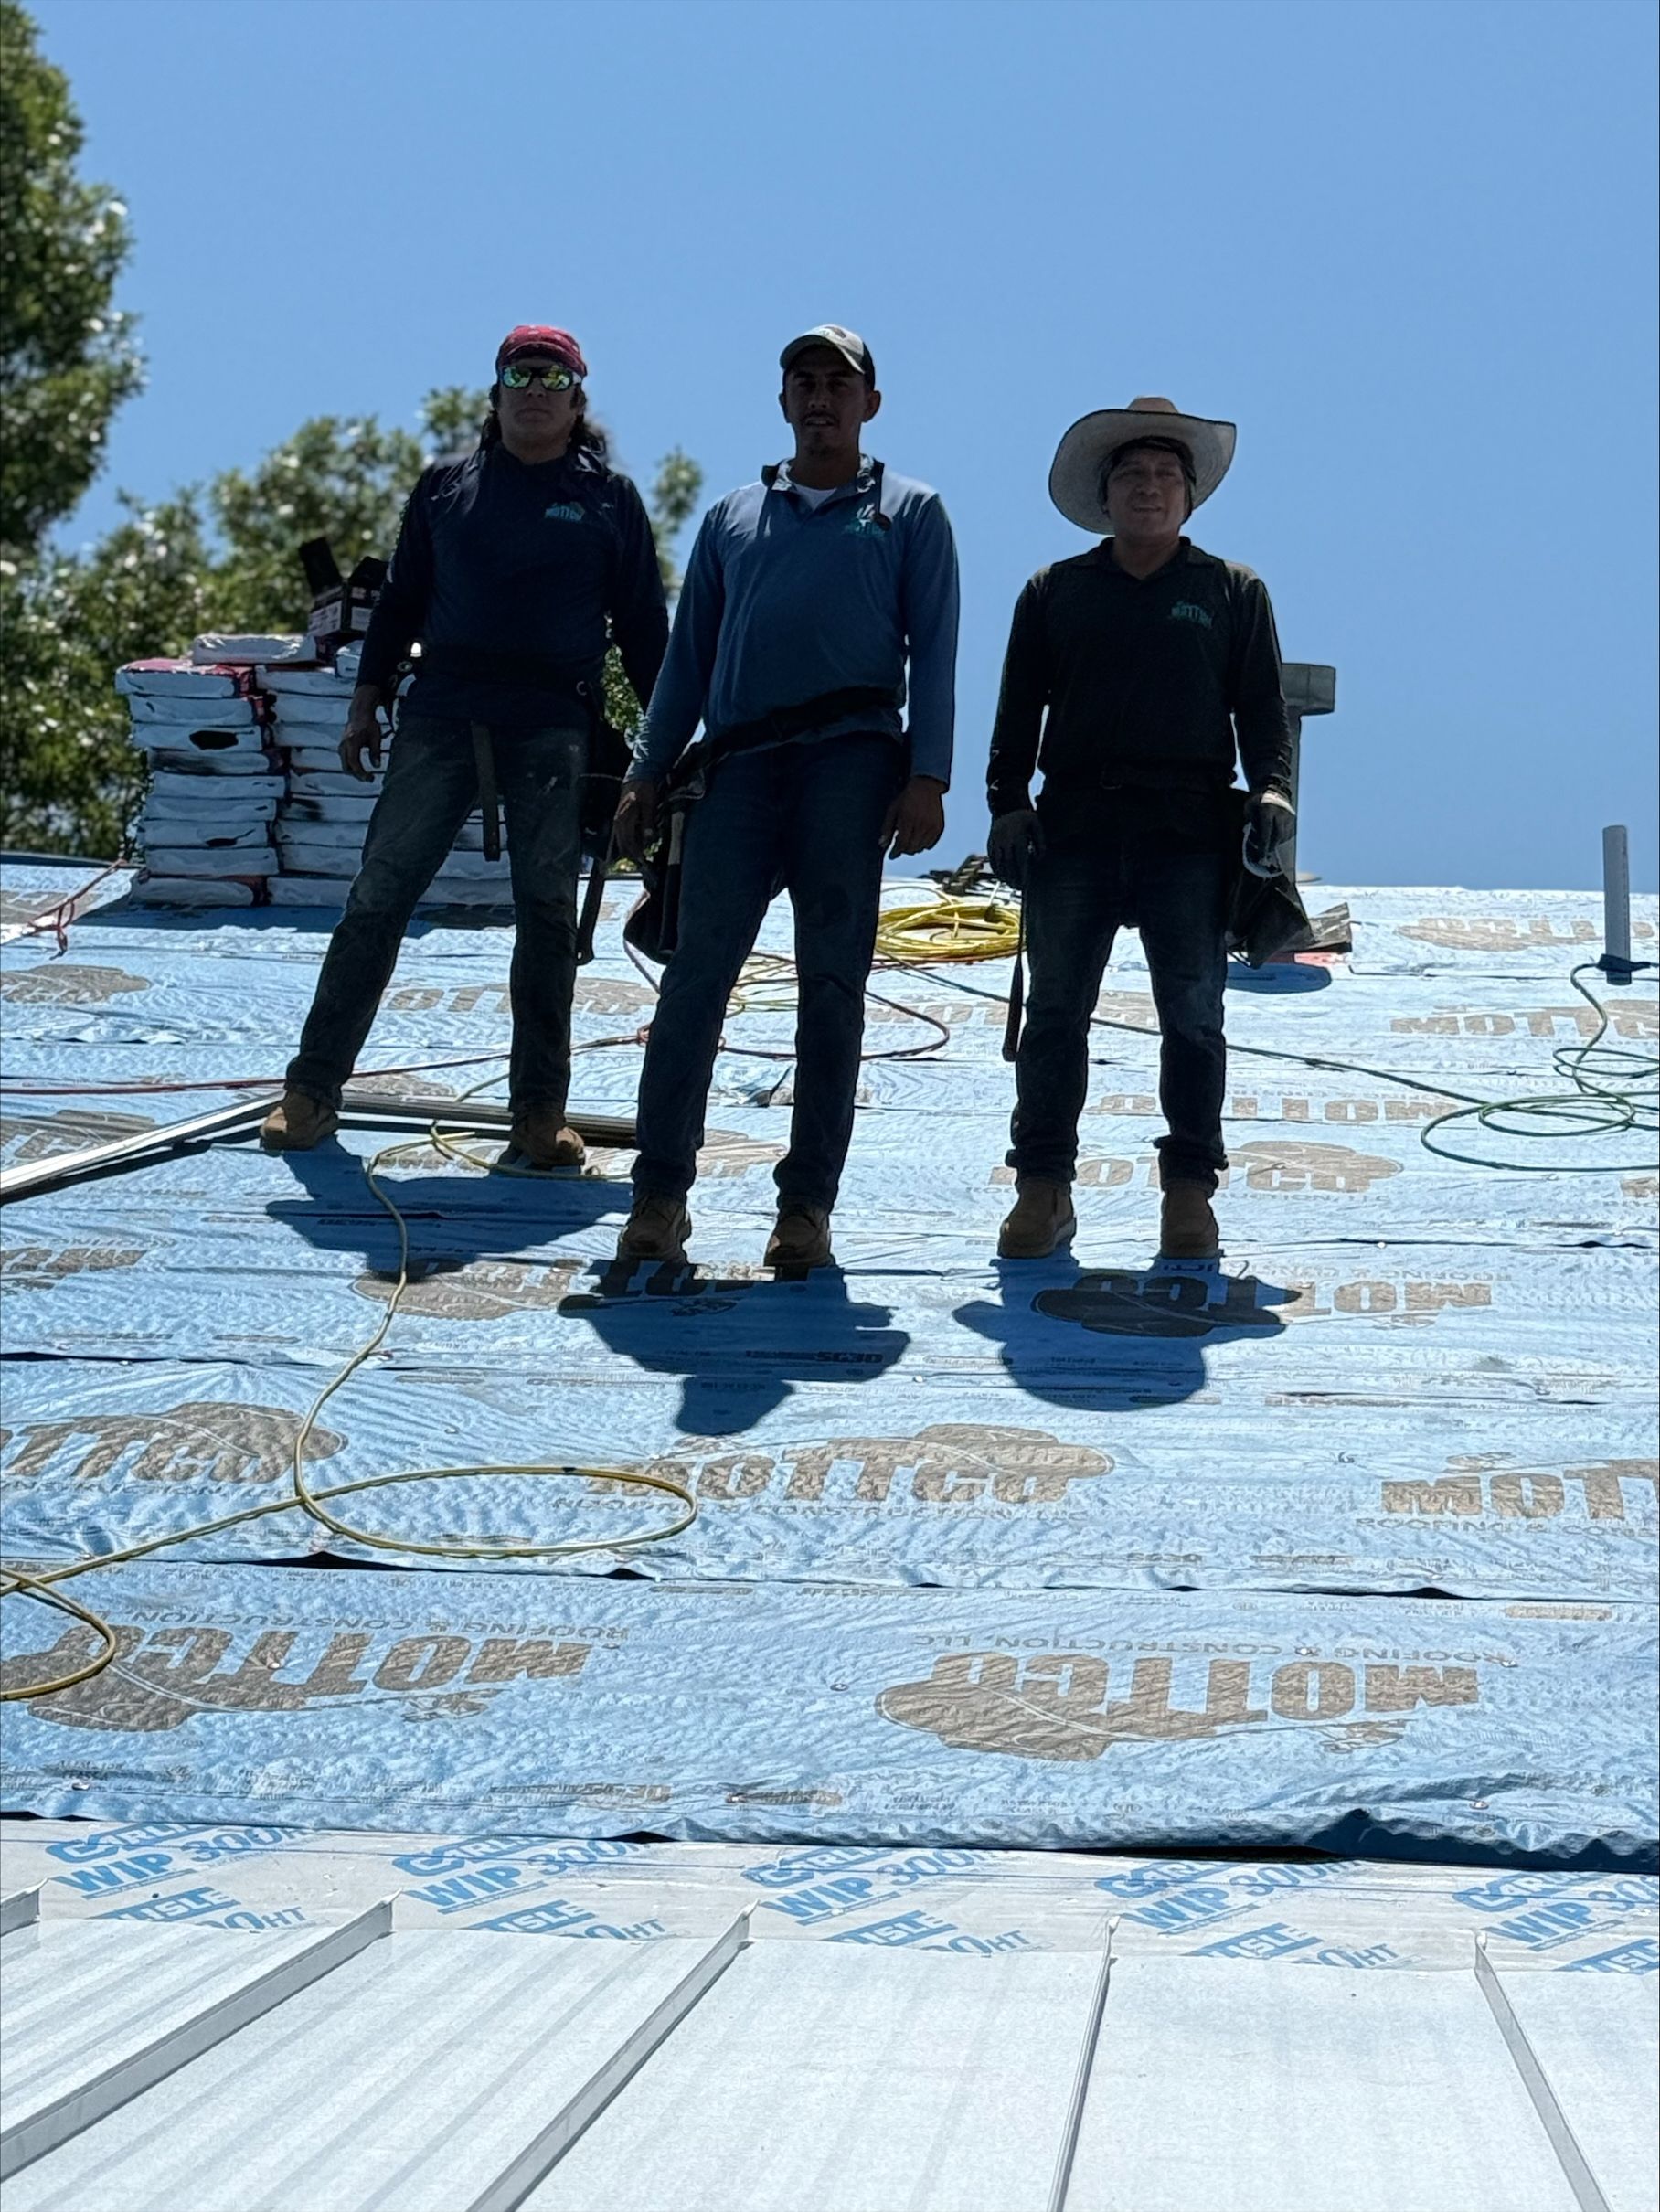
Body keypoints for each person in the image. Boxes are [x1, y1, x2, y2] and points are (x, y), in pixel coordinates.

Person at [260, 324, 668, 1165]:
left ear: (576, 400)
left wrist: (663, 751)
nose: (533, 388)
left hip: (555, 726)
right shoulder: (447, 488)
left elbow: (643, 631)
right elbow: (402, 599)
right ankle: (310, 1090)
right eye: (518, 373)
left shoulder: (607, 500)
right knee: (378, 899)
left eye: (551, 377)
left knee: (549, 919)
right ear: (495, 395)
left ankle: (537, 1117)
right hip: (442, 714)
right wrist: (366, 701)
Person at [612, 324, 960, 1270]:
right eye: (803, 382)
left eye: (837, 384)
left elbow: (934, 649)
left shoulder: (908, 512)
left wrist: (927, 774)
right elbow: (687, 657)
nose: (820, 398)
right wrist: (649, 766)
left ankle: (804, 1207)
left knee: (830, 988)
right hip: (739, 768)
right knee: (695, 979)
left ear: (869, 405)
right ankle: (658, 1195)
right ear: (781, 402)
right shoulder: (734, 516)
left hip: (851, 761)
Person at [986, 395, 1296, 1261]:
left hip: (1188, 830)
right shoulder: (1055, 591)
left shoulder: (1232, 592)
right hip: (1076, 824)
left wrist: (1272, 791)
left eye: (1166, 475)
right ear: (1106, 491)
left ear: (1189, 496)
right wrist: (1006, 800)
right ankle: (1042, 1188)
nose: (1149, 488)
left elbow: (1263, 716)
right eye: (1132, 474)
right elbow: (1016, 713)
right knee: (1054, 1014)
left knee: (1194, 1016)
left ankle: (1189, 1194)